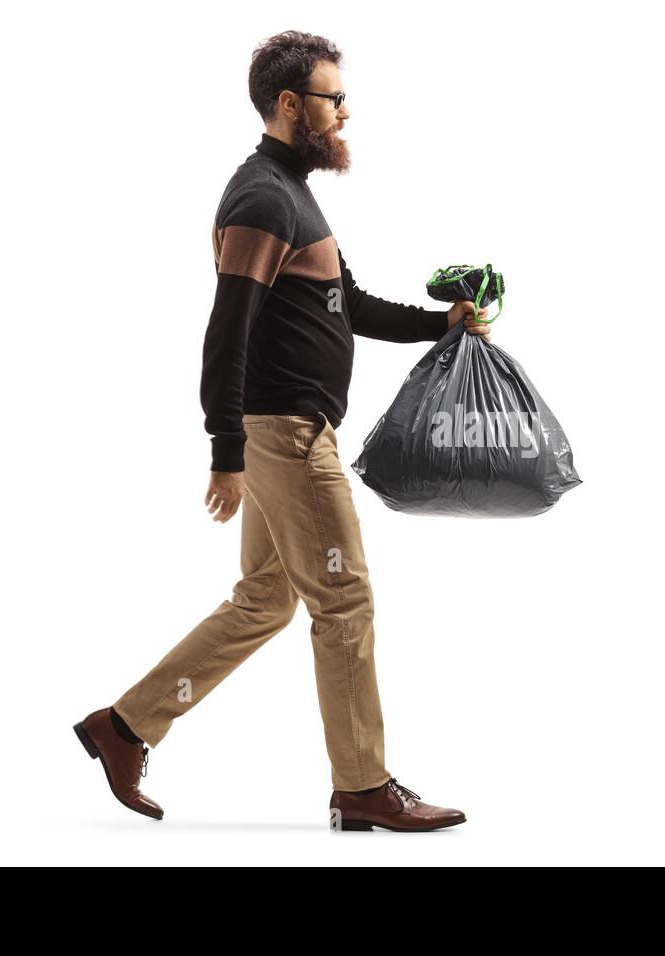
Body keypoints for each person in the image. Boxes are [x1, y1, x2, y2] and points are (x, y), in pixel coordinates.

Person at [73, 30, 488, 832]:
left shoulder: (294, 192)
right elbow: (226, 332)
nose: (345, 112)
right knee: (345, 600)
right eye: (333, 98)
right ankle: (362, 785)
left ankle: (123, 728)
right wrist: (225, 453)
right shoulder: (262, 199)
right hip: (286, 437)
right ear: (291, 105)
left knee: (266, 598)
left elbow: (351, 305)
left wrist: (445, 324)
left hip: (285, 432)